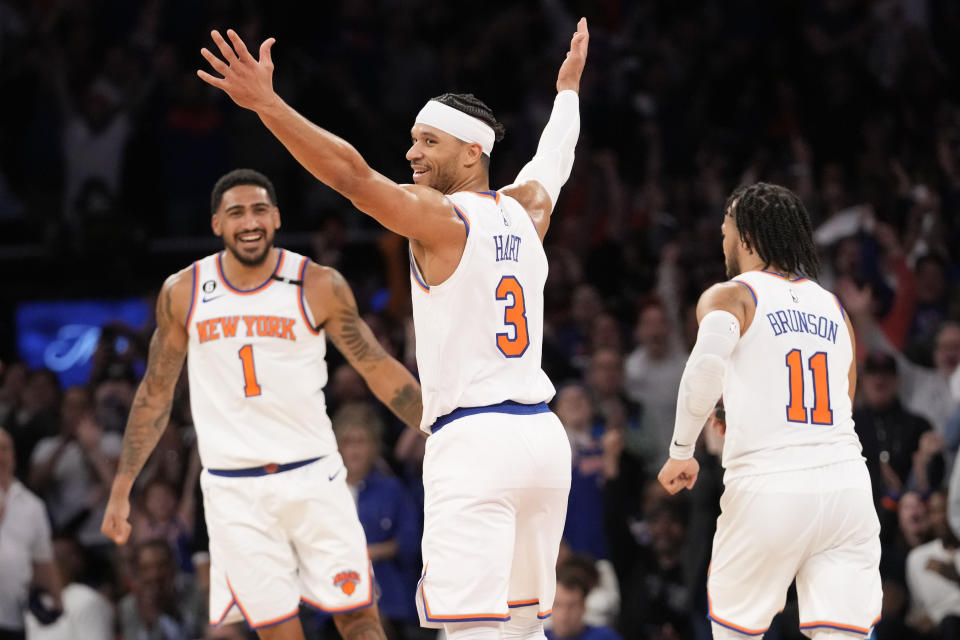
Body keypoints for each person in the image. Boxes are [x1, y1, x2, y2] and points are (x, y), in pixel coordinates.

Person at [197, 17, 588, 640]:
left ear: (471, 152)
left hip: (476, 439)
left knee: (471, 631)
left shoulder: (440, 219)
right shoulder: (527, 211)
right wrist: (567, 92)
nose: (411, 154)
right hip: (542, 440)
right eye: (412, 140)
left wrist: (268, 104)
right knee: (523, 629)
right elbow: (556, 158)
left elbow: (351, 176)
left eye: (427, 141)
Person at [101, 169, 424, 640]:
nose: (248, 221)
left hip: (313, 474)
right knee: (277, 632)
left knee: (358, 618)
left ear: (275, 217)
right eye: (236, 212)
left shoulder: (317, 283)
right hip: (235, 490)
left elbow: (376, 366)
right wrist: (121, 486)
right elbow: (155, 393)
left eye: (258, 210)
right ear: (216, 224)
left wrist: (440, 428)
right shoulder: (184, 292)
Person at [657, 182, 882, 638]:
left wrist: (682, 450)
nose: (722, 242)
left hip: (769, 486)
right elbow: (844, 402)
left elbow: (703, 369)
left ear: (745, 239)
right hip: (847, 489)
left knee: (736, 631)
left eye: (725, 230)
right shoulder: (835, 308)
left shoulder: (731, 296)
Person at [0, 427, 62, 640]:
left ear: (14, 456)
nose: (0, 455)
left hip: (13, 616)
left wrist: (57, 598)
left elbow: (43, 560)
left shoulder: (33, 506)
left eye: (5, 449)